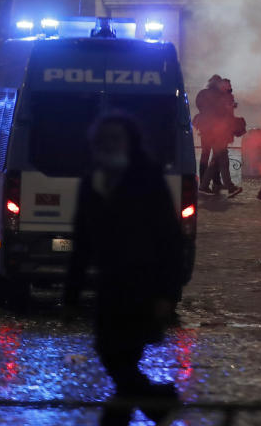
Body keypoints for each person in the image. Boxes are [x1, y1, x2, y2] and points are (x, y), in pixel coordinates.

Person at [64, 114, 185, 424]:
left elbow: (171, 239)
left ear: (129, 143)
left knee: (120, 360)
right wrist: (72, 291)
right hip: (109, 289)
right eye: (102, 141)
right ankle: (158, 403)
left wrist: (167, 293)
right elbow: (82, 241)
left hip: (142, 288)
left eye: (115, 139)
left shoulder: (148, 180)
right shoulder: (92, 183)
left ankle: (150, 407)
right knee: (115, 358)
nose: (108, 146)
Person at [204, 78, 243, 197]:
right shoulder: (218, 97)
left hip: (222, 132)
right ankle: (230, 187)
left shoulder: (226, 96)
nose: (229, 87)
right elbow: (218, 114)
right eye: (226, 85)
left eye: (229, 85)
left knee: (215, 161)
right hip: (218, 133)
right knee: (223, 161)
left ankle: (204, 185)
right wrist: (228, 107)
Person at [194, 75, 223, 194]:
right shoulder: (220, 95)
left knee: (205, 155)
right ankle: (216, 182)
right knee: (216, 156)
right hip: (216, 129)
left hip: (205, 128)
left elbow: (199, 105)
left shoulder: (202, 93)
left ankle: (204, 183)